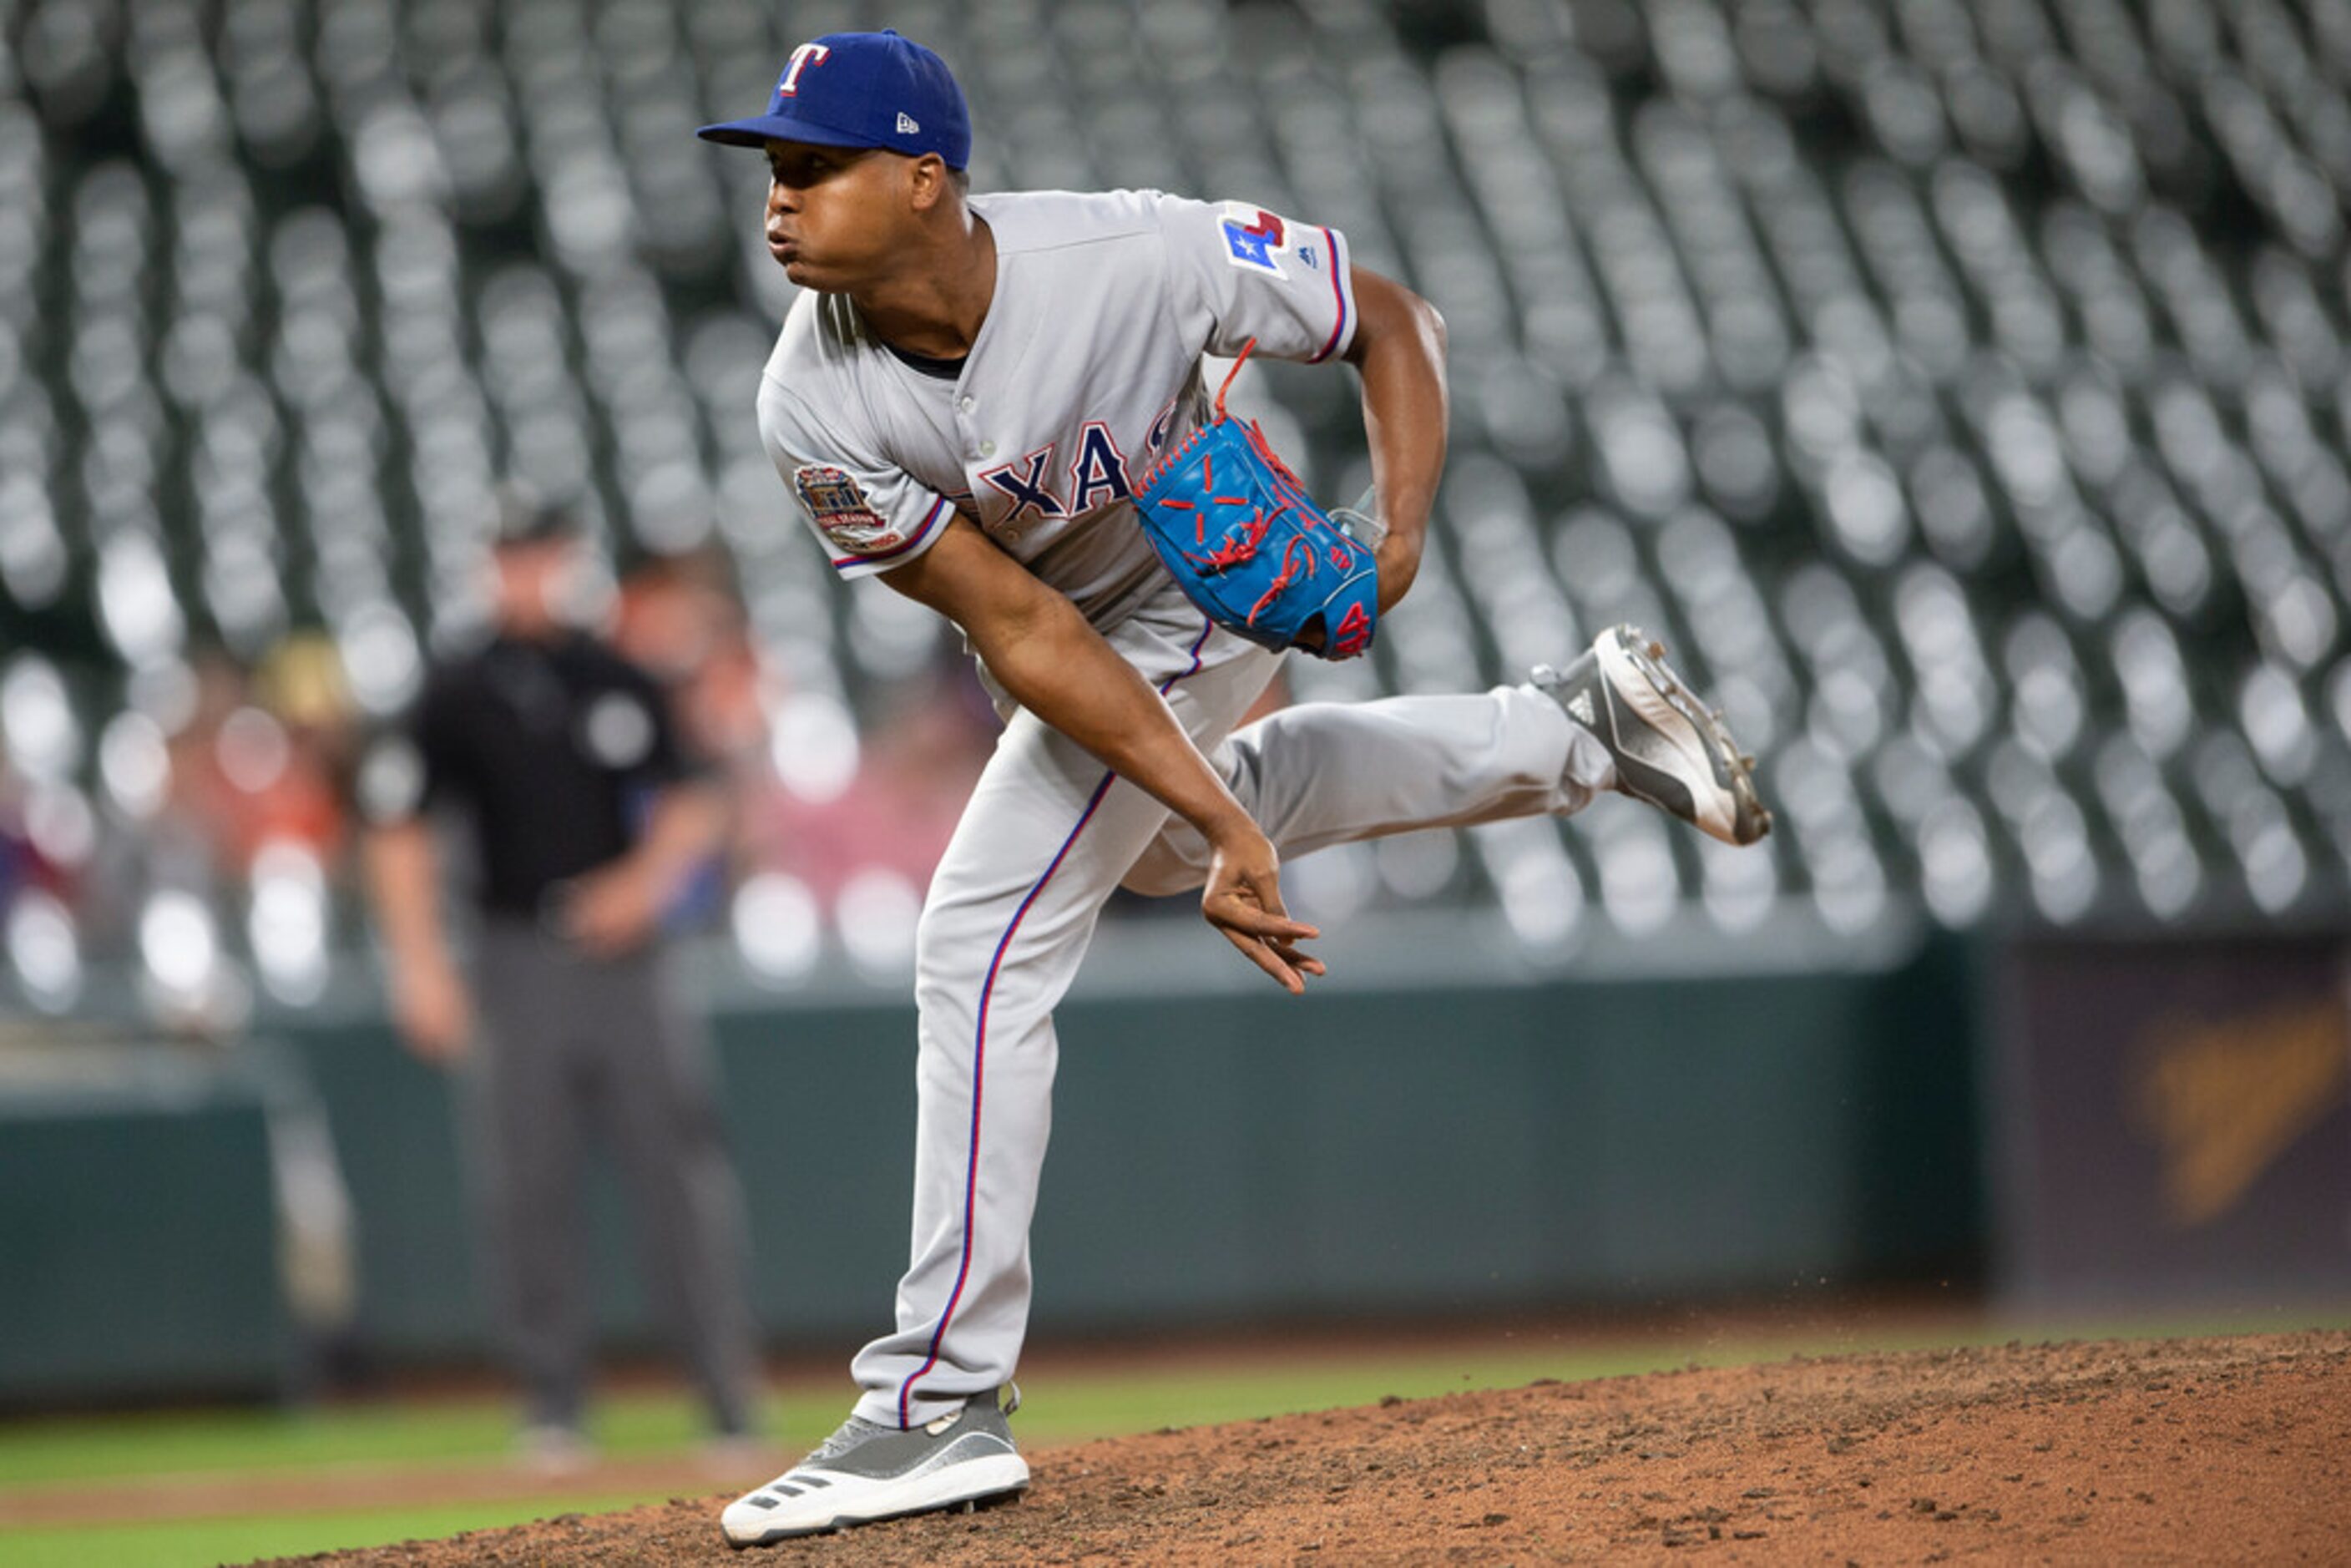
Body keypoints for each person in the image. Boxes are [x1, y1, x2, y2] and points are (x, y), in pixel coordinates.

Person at [697, 30, 1767, 1544]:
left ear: (926, 179)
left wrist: (1396, 535)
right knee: (1139, 857)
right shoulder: (811, 401)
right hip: (1073, 628)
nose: (777, 198)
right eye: (770, 169)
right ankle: (1575, 727)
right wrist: (1212, 823)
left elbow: (1387, 318)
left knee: (979, 937)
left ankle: (939, 1398)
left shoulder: (1131, 251)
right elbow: (1019, 626)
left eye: (813, 164)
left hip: (1198, 581)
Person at [356, 500, 763, 1469]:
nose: (526, 574)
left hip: (629, 962)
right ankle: (551, 1404)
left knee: (678, 1177)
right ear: (488, 567)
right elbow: (398, 828)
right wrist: (418, 964)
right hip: (512, 956)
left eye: (541, 555)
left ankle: (725, 1399)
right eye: (511, 557)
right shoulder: (454, 690)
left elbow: (699, 800)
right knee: (525, 1182)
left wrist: (643, 885)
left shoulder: (620, 673)